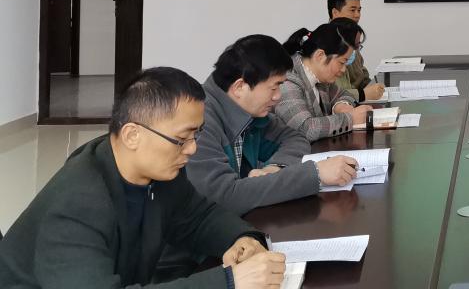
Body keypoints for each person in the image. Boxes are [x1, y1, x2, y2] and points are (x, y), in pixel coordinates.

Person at [0, 67, 285, 289]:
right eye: (182, 138)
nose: (192, 148)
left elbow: (199, 217)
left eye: (196, 135)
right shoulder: (77, 205)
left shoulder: (159, 172)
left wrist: (241, 238)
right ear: (132, 135)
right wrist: (229, 282)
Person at [187, 34, 358, 215]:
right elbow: (225, 196)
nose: (278, 96)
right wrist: (314, 174)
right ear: (240, 87)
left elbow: (294, 138)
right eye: (274, 87)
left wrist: (276, 167)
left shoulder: (248, 110)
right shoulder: (198, 122)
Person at [276, 19, 372, 141]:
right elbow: (306, 128)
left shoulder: (320, 77)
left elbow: (344, 94)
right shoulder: (287, 81)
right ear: (320, 56)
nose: (343, 69)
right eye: (341, 62)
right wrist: (350, 118)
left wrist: (341, 105)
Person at [328, 0, 385, 102]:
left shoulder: (352, 36)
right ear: (335, 12)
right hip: (344, 104)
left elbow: (362, 75)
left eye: (359, 10)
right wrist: (363, 94)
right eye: (352, 10)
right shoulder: (327, 42)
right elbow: (333, 93)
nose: (357, 15)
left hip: (359, 100)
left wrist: (374, 87)